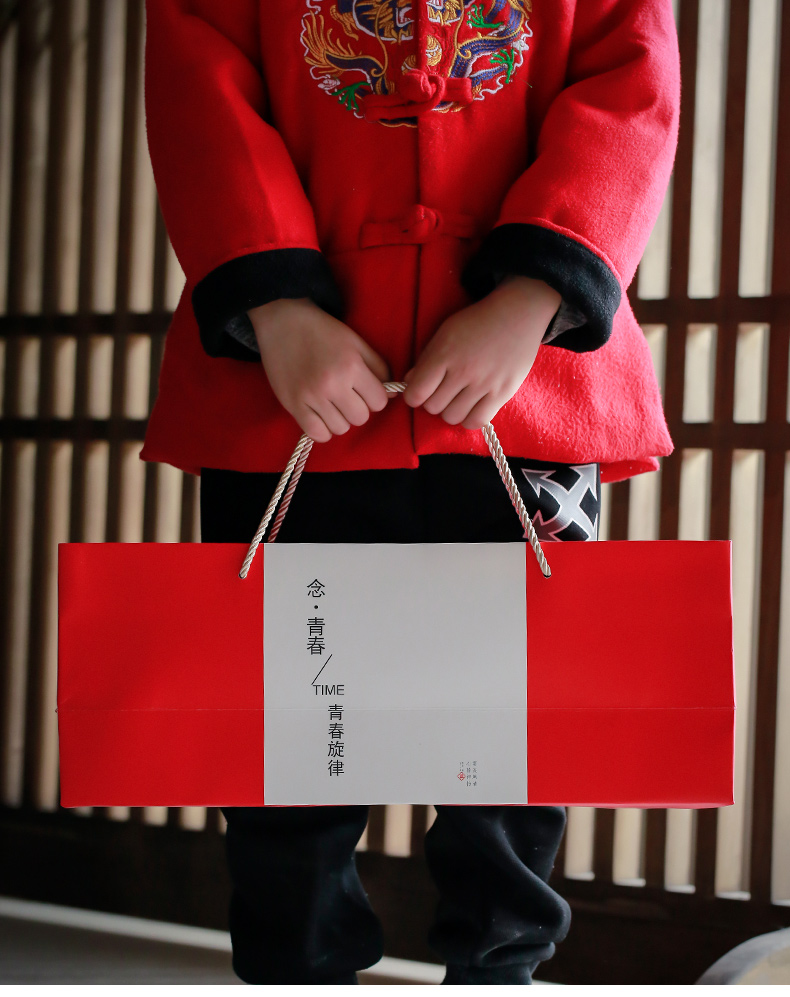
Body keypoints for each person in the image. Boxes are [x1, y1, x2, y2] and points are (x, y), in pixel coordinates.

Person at [141, 0, 681, 984]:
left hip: (529, 386)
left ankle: (498, 972)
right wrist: (274, 304)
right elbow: (197, 83)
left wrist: (534, 295)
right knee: (284, 744)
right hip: (287, 384)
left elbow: (629, 88)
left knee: (513, 747)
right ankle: (294, 972)